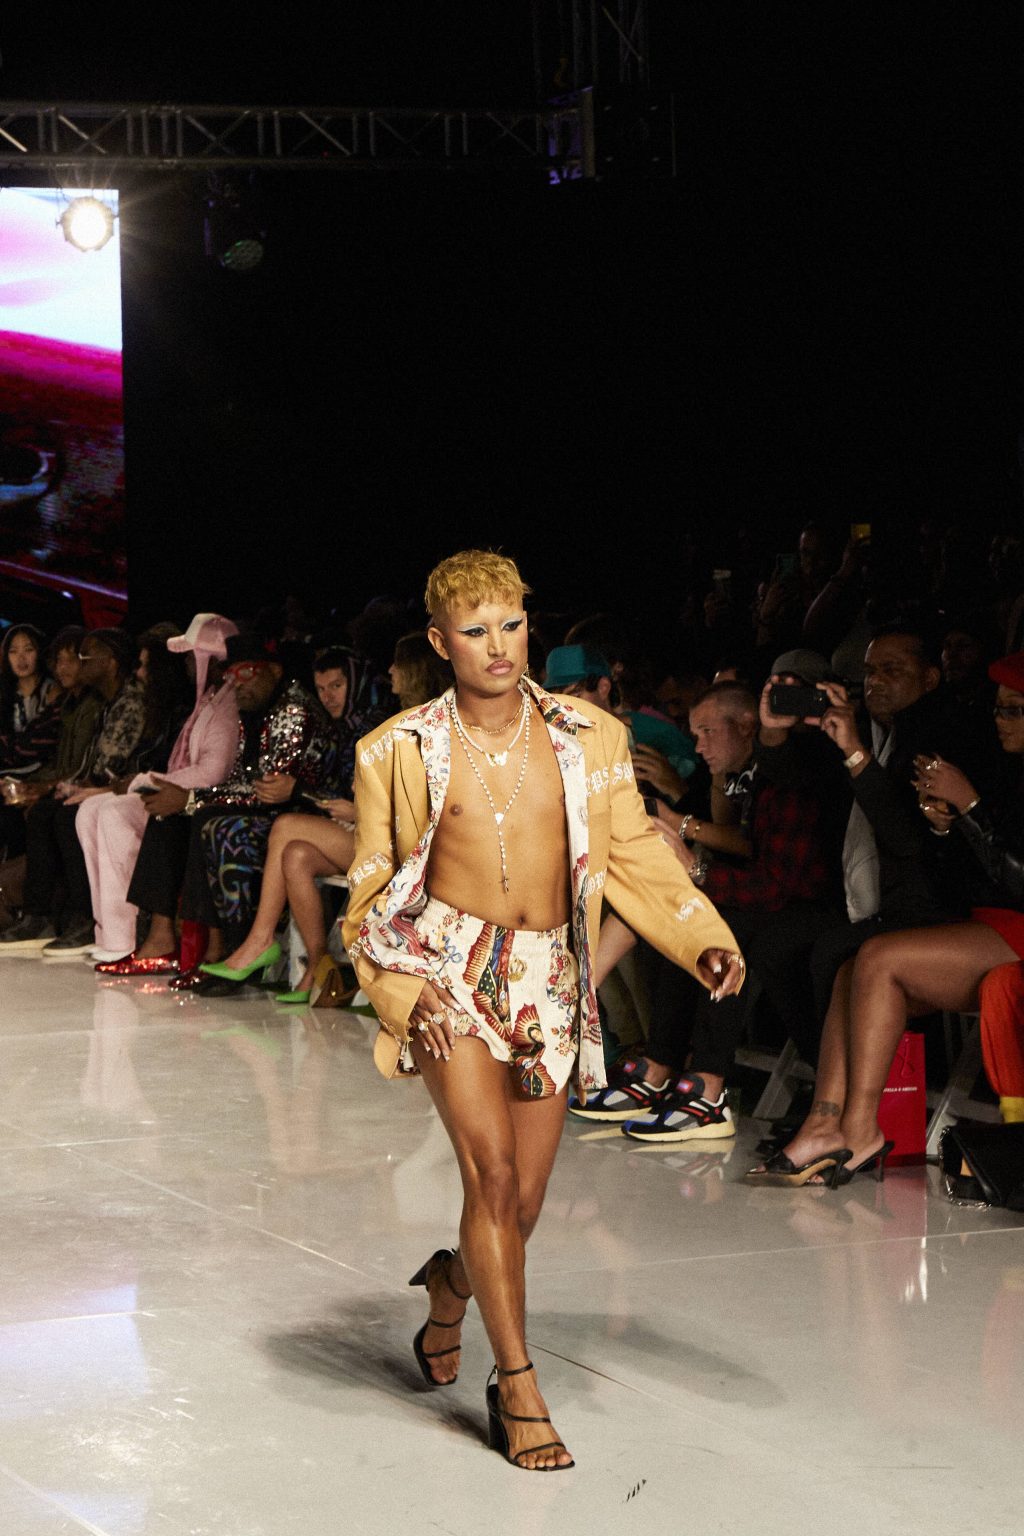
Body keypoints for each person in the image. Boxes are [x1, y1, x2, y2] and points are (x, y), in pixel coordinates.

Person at [342, 550, 743, 1471]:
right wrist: (402, 990)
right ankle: (516, 1383)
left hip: (550, 977)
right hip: (447, 971)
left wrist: (701, 939)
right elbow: (369, 898)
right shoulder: (396, 750)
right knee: (488, 1176)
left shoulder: (588, 735)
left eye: (513, 625)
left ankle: (451, 1285)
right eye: (475, 631)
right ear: (440, 642)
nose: (499, 646)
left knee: (519, 1205)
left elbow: (634, 853)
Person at [746, 649, 1024, 1188]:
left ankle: (859, 1128)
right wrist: (949, 823)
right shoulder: (1000, 764)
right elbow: (961, 864)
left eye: (1013, 710)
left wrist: (970, 810)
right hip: (983, 921)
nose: (1000, 719)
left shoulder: (962, 750)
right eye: (998, 708)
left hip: (1011, 927)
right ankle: (823, 1121)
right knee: (852, 968)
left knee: (876, 955)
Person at [201, 645, 388, 1001]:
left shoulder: (378, 726)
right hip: (356, 835)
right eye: (321, 689)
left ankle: (260, 940)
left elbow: (404, 800)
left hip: (390, 841)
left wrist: (353, 809)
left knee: (285, 826)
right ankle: (319, 969)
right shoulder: (341, 729)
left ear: (357, 682)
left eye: (337, 686)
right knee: (296, 855)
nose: (328, 696)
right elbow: (334, 793)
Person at [81, 614, 241, 971]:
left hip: (205, 800)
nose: (187, 665)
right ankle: (109, 933)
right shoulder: (208, 699)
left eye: (192, 657)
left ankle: (134, 936)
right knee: (89, 811)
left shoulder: (226, 703)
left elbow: (212, 772)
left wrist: (146, 779)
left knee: (118, 813)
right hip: (185, 792)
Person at [0, 628, 146, 955]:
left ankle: (83, 916)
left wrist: (60, 788)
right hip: (101, 786)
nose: (75, 664)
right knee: (44, 813)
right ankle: (40, 916)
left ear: (111, 662)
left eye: (82, 656)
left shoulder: (125, 700)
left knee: (65, 815)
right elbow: (83, 765)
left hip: (125, 790)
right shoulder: (95, 702)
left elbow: (107, 767)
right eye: (63, 659)